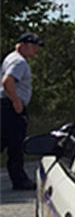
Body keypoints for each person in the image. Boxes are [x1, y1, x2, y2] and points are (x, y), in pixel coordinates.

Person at [2, 32, 43, 190]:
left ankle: (19, 179)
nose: (36, 50)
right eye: (33, 46)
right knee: (15, 145)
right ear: (23, 45)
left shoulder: (11, 58)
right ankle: (20, 181)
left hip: (5, 106)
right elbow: (8, 81)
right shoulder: (19, 61)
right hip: (10, 107)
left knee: (6, 142)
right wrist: (16, 101)